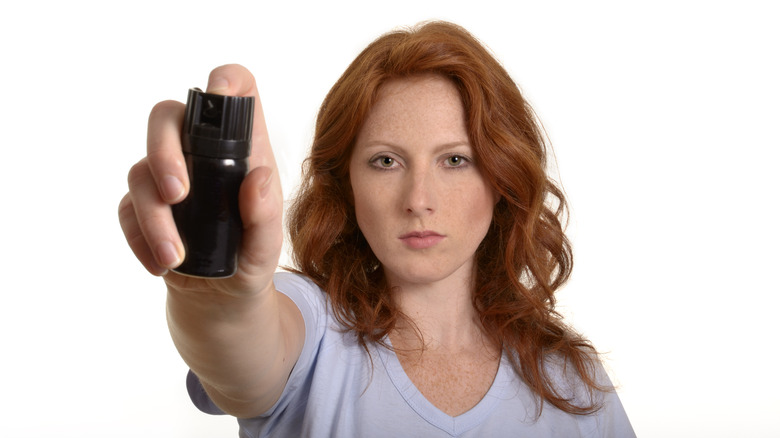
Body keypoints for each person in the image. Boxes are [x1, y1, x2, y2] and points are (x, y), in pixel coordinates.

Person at [119, 21, 635, 437]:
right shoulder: (312, 332)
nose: (418, 201)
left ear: (502, 179)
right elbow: (243, 343)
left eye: (455, 160)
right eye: (385, 161)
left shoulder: (573, 385)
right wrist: (223, 300)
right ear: (346, 184)